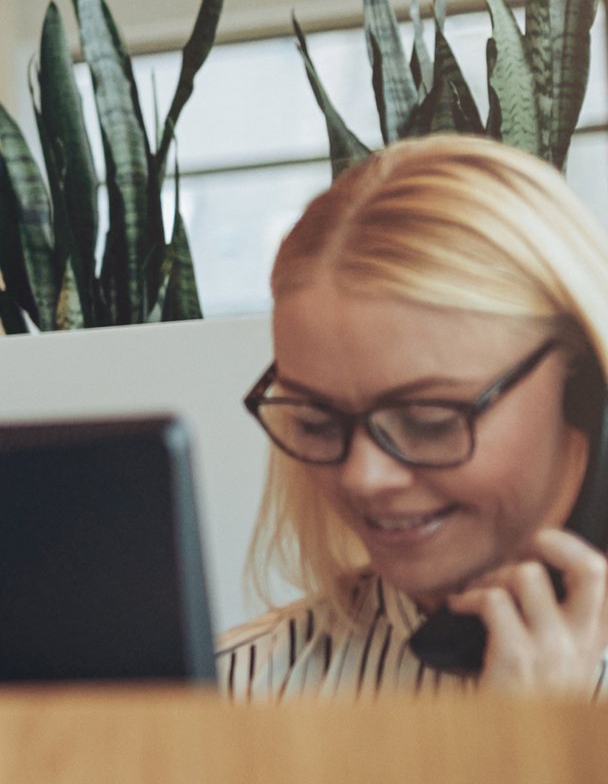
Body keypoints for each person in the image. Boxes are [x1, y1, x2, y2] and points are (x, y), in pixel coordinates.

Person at [224, 135, 608, 696]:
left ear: (583, 393)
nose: (364, 478)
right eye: (315, 422)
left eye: (430, 420)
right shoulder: (229, 693)